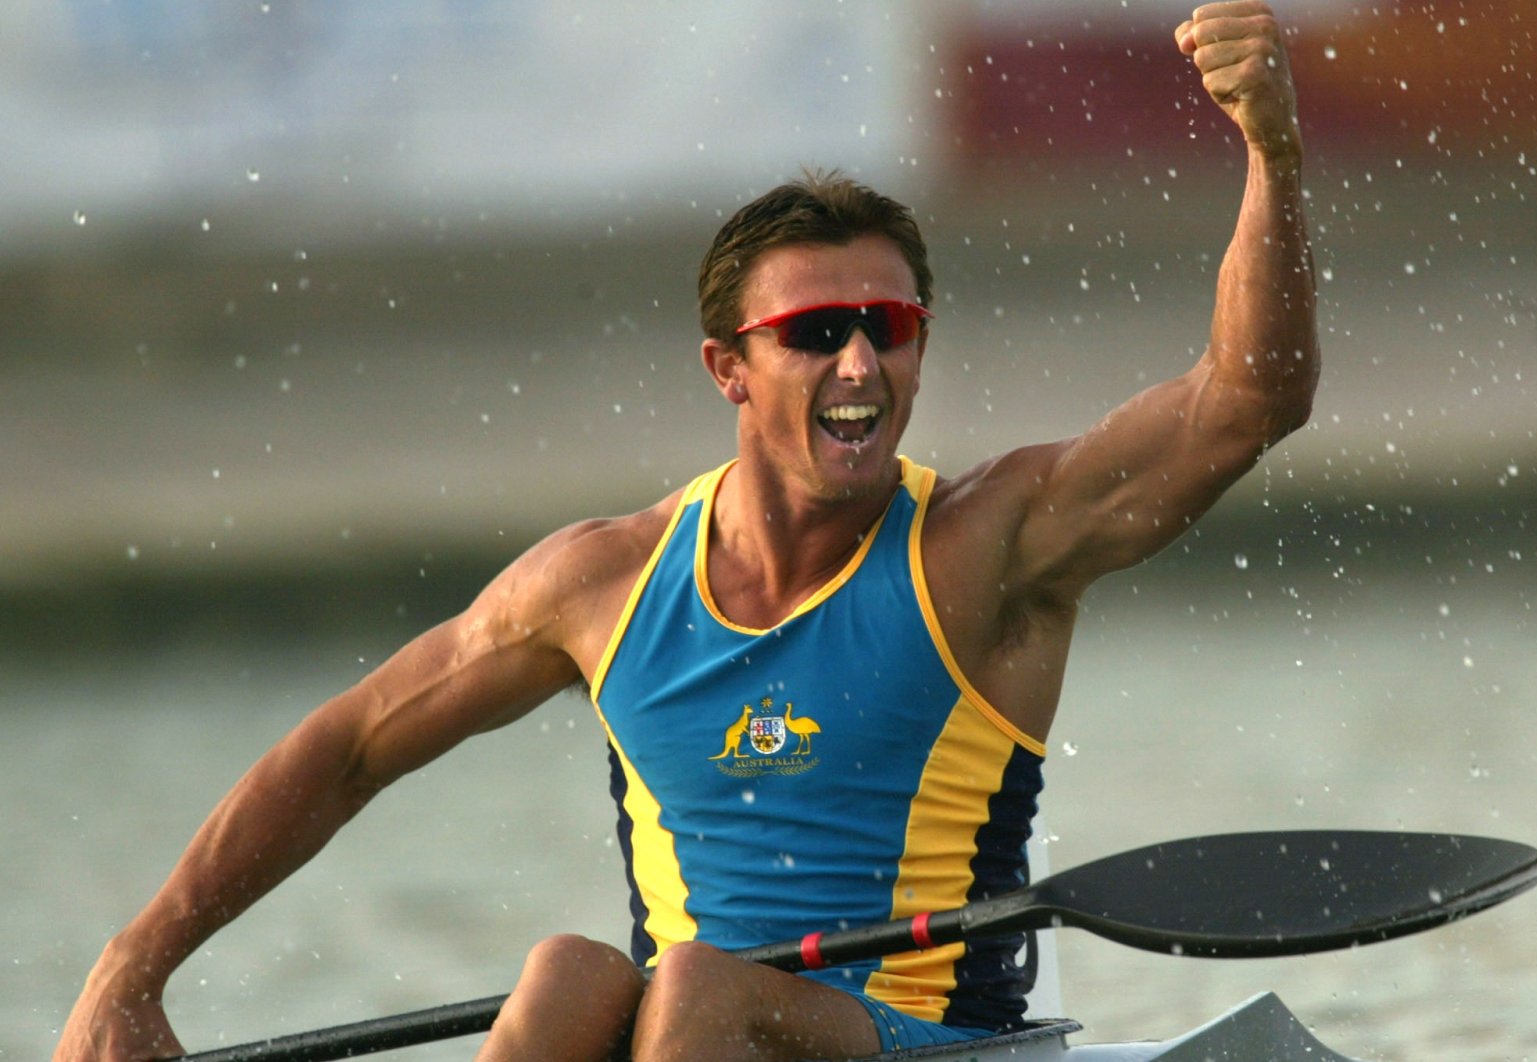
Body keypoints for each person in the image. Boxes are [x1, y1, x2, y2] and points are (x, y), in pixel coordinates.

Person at [56, 4, 1317, 1060]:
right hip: (697, 1035)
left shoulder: (990, 545)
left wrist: (1270, 152)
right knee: (565, 978)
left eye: (890, 322)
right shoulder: (598, 583)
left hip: (942, 1044)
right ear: (729, 367)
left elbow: (1243, 400)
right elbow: (346, 753)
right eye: (816, 332)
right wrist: (132, 971)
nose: (862, 359)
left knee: (699, 986)